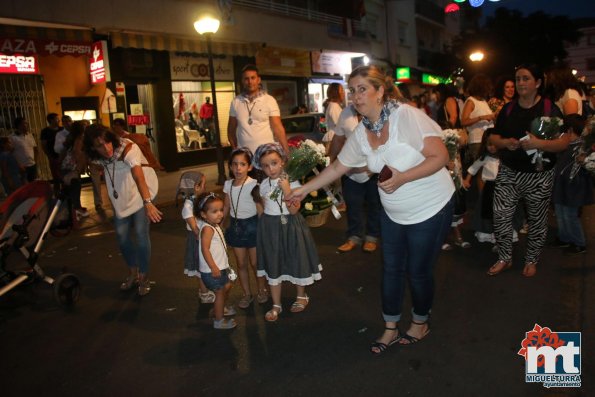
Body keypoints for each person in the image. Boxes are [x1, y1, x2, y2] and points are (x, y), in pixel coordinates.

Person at [287, 65, 453, 354]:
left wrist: (402, 177)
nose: (355, 96)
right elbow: (340, 166)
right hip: (393, 212)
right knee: (390, 269)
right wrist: (301, 189)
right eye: (352, 90)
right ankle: (390, 327)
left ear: (380, 91)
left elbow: (440, 156)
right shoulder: (363, 131)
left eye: (362, 89)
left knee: (417, 271)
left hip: (431, 208)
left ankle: (420, 321)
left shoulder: (407, 117)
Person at [487, 64, 568, 278]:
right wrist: (506, 142)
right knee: (501, 216)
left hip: (540, 175)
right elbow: (493, 137)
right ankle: (504, 257)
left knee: (537, 220)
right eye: (518, 79)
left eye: (525, 78)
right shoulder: (508, 109)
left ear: (538, 83)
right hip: (509, 171)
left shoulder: (550, 109)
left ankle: (532, 259)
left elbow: (563, 143)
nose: (520, 83)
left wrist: (539, 144)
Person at [83, 124, 162, 296]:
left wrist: (148, 202)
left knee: (141, 233)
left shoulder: (128, 148)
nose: (106, 148)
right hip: (122, 194)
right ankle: (133, 271)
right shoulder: (95, 156)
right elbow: (91, 163)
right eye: (99, 145)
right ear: (92, 147)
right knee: (121, 235)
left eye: (107, 142)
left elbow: (138, 175)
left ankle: (144, 275)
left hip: (143, 191)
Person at [253, 143, 322, 322]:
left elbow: (293, 210)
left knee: (296, 258)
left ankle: (301, 296)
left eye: (274, 163)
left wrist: (286, 189)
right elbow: (262, 207)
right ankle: (276, 303)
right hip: (271, 228)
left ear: (283, 161)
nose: (271, 169)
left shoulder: (293, 181)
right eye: (266, 165)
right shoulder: (263, 185)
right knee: (273, 262)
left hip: (290, 225)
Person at [329, 104, 381, 253]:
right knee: (353, 204)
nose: (357, 96)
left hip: (374, 169)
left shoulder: (379, 112)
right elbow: (338, 139)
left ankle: (372, 237)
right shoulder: (346, 112)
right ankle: (354, 237)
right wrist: (331, 161)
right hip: (350, 169)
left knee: (374, 204)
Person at [223, 147, 269, 309]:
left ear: (249, 167)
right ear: (229, 167)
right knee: (240, 263)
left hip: (253, 226)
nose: (238, 168)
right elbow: (226, 206)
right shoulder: (228, 185)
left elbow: (260, 210)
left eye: (242, 164)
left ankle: (262, 290)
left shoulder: (254, 185)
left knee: (256, 263)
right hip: (236, 227)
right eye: (234, 164)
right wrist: (219, 223)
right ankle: (247, 294)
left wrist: (266, 230)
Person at [551, 114, 592, 255]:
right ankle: (565, 238)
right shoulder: (566, 145)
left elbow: (585, 165)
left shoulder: (582, 145)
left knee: (570, 215)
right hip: (563, 182)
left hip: (573, 185)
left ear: (569, 130)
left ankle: (579, 242)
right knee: (560, 212)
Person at [228, 64, 289, 157]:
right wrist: (236, 151)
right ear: (242, 81)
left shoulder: (269, 100)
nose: (250, 82)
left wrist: (286, 152)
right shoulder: (236, 102)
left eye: (253, 78)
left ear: (258, 80)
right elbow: (231, 130)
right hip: (246, 158)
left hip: (266, 156)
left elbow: (278, 129)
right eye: (246, 79)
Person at [196, 192, 237, 330]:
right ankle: (219, 320)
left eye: (220, 210)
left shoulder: (213, 224)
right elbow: (205, 249)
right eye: (214, 211)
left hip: (220, 267)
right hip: (213, 269)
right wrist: (213, 267)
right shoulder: (207, 228)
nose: (219, 214)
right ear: (203, 214)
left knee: (226, 287)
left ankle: (217, 309)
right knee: (220, 293)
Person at [462, 128, 507, 248]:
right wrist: (466, 180)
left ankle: (500, 237)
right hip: (489, 188)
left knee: (501, 213)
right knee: (489, 213)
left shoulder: (504, 158)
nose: (492, 147)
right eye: (489, 145)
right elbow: (473, 169)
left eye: (494, 144)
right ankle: (492, 235)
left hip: (503, 188)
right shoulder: (484, 158)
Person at [181, 173, 217, 304]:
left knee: (204, 266)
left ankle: (205, 289)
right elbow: (194, 228)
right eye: (203, 184)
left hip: (202, 238)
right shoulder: (188, 206)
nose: (205, 187)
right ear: (196, 187)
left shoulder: (197, 201)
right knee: (200, 267)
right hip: (197, 240)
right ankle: (204, 293)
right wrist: (204, 239)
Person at [461, 74, 496, 162]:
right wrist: (481, 118)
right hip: (477, 141)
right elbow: (464, 121)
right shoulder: (471, 101)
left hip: (487, 141)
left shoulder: (484, 101)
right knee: (477, 168)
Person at [60, 121, 89, 219]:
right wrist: (80, 167)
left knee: (71, 189)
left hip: (66, 165)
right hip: (72, 168)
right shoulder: (79, 139)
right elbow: (77, 152)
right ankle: (76, 210)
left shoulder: (70, 137)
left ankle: (72, 209)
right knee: (75, 188)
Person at [9, 117, 37, 182]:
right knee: (23, 185)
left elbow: (35, 149)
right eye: (25, 123)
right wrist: (18, 165)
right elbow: (10, 153)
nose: (27, 125)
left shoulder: (29, 135)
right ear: (19, 125)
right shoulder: (12, 137)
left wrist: (35, 161)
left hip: (32, 164)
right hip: (21, 166)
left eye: (27, 123)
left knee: (33, 184)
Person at [40, 113, 61, 187]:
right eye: (57, 119)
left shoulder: (62, 129)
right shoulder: (45, 131)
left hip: (63, 156)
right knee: (56, 176)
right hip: (53, 156)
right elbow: (44, 145)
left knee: (64, 174)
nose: (59, 120)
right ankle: (57, 191)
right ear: (51, 120)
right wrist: (49, 156)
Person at [323, 83, 345, 149]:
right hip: (334, 138)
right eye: (341, 91)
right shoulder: (334, 106)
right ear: (336, 93)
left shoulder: (333, 105)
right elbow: (339, 124)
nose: (343, 93)